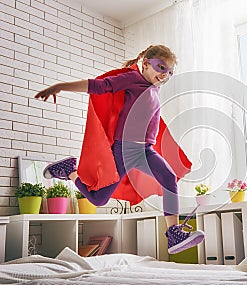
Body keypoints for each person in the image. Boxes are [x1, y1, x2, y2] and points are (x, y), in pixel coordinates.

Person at [35, 45, 204, 254]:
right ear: (145, 63)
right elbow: (99, 86)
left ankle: (173, 234)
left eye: (170, 72)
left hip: (146, 151)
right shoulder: (132, 79)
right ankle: (70, 170)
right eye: (161, 68)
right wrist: (60, 86)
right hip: (124, 151)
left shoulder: (154, 87)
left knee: (169, 178)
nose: (165, 75)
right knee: (99, 199)